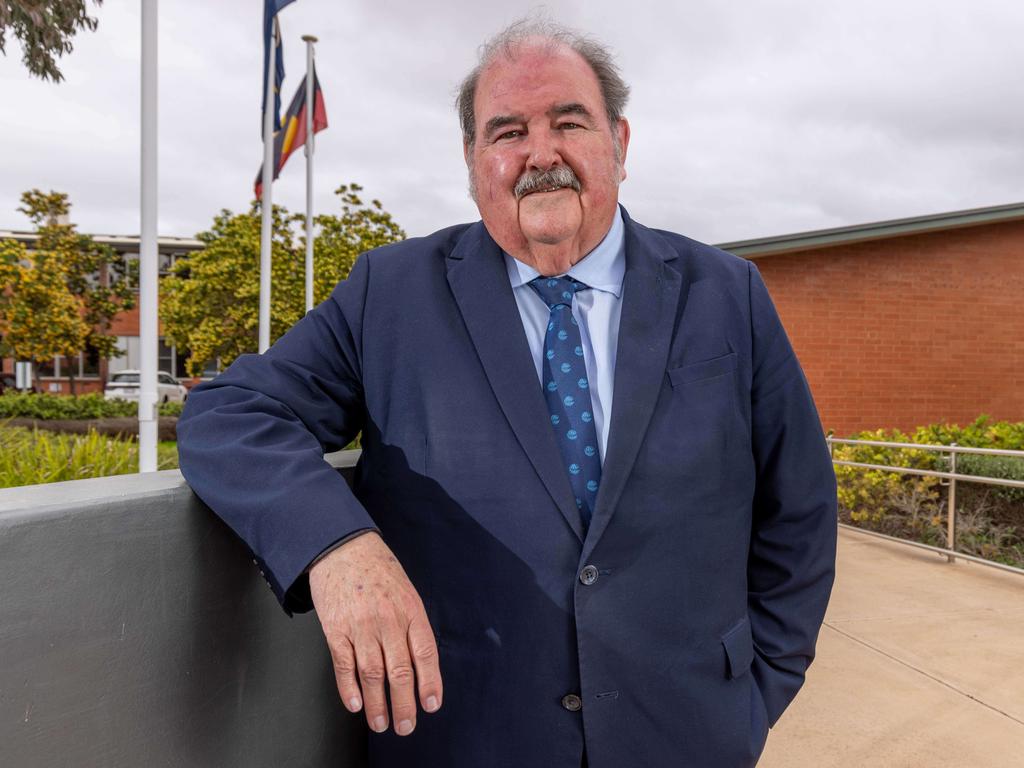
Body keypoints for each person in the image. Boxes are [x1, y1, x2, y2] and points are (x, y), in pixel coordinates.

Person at [177, 18, 837, 768]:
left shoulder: (729, 295)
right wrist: (335, 545)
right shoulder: (390, 295)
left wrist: (752, 699)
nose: (540, 153)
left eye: (568, 122)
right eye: (507, 131)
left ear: (619, 142)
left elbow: (801, 512)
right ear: (472, 160)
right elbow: (230, 410)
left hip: (689, 736)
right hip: (468, 742)